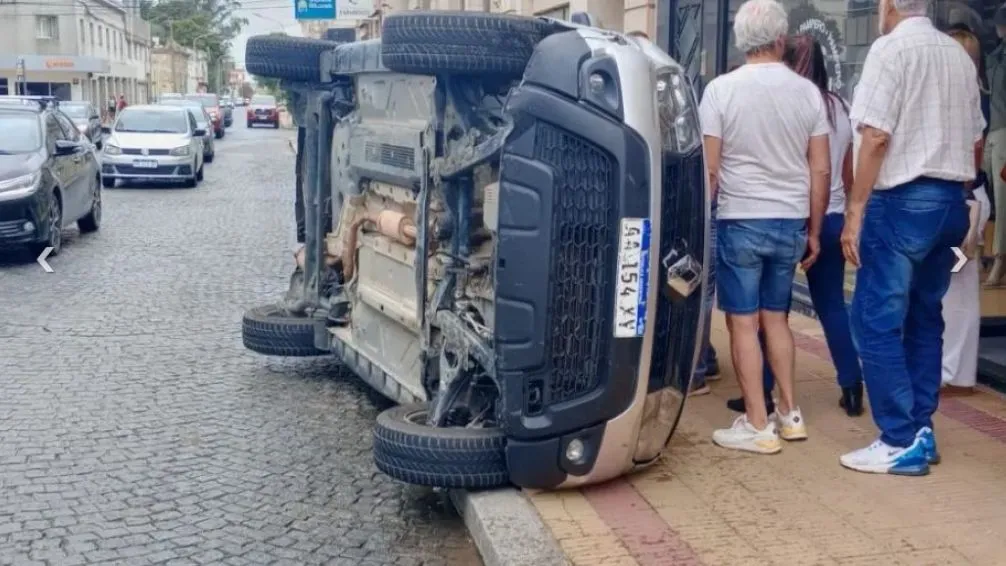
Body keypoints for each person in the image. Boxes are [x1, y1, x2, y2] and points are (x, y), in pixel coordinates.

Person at [839, 0, 983, 475]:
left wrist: (856, 208)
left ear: (888, 6)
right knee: (924, 316)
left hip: (901, 198)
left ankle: (900, 437)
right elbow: (976, 138)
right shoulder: (958, 56)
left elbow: (876, 136)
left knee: (874, 319)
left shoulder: (890, 49)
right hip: (949, 200)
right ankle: (921, 428)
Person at [698, 0, 830, 454]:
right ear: (781, 40)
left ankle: (757, 424)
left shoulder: (720, 90)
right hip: (789, 218)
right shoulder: (808, 93)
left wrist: (701, 222)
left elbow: (710, 171)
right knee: (777, 318)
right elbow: (821, 170)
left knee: (741, 322)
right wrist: (813, 230)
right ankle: (789, 414)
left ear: (740, 40)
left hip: (741, 219)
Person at [726, 36, 865, 417]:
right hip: (835, 215)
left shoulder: (793, 103)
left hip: (796, 216)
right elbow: (849, 171)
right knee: (833, 305)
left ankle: (764, 393)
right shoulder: (841, 107)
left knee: (774, 310)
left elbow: (802, 167)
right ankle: (852, 387)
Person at [942, 26, 992, 395]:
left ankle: (951, 371)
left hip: (965, 204)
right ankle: (959, 372)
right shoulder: (976, 95)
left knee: (953, 283)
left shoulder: (963, 100)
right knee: (960, 284)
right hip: (972, 201)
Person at [983, 6, 1006, 286]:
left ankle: (999, 258)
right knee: (984, 198)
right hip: (992, 132)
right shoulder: (995, 56)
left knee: (1001, 201)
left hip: (1003, 134)